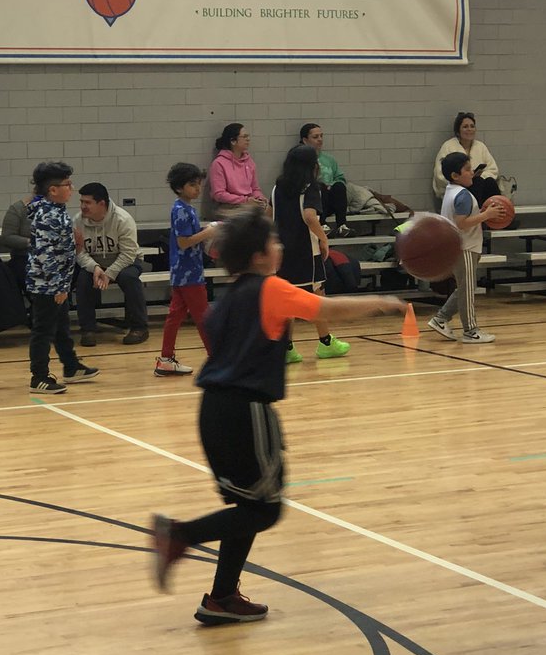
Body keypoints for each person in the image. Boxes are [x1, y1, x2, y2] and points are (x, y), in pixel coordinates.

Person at [150, 207, 406, 625]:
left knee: (245, 504)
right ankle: (179, 535)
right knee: (265, 510)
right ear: (257, 256)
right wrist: (384, 302)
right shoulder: (271, 288)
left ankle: (221, 597)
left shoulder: (227, 299)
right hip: (246, 411)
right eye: (274, 241)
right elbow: (325, 309)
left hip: (212, 410)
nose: (280, 246)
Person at [272, 144, 349, 363]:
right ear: (312, 166)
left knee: (286, 298)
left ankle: (286, 347)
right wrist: (323, 239)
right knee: (317, 296)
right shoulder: (310, 188)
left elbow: (268, 215)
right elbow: (309, 216)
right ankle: (326, 343)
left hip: (281, 252)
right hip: (306, 250)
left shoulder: (277, 188)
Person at [26, 161, 99, 394]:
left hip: (58, 282)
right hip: (47, 284)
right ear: (53, 190)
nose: (72, 188)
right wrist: (58, 286)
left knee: (60, 327)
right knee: (44, 330)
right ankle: (38, 377)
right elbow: (46, 253)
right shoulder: (48, 214)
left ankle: (71, 366)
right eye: (67, 184)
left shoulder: (53, 209)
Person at [428, 152, 506, 345]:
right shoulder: (462, 195)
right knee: (468, 291)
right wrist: (487, 215)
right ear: (455, 175)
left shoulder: (451, 191)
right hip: (464, 248)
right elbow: (462, 223)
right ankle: (470, 331)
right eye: (468, 170)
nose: (472, 173)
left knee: (465, 288)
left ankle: (440, 319)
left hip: (461, 247)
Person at [155, 163, 218, 377]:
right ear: (179, 187)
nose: (197, 189)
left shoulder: (185, 208)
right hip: (189, 272)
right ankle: (216, 358)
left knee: (175, 315)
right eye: (192, 185)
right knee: (203, 315)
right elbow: (184, 242)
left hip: (184, 270)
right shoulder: (181, 210)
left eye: (199, 184)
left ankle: (165, 359)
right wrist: (208, 233)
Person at [72, 182, 149, 346]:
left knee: (129, 278)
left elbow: (128, 254)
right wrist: (95, 268)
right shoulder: (77, 221)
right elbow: (79, 252)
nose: (82, 206)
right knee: (83, 281)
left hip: (126, 261)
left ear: (101, 204)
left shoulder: (123, 219)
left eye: (87, 202)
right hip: (95, 262)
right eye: (81, 202)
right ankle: (88, 329)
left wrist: (109, 274)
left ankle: (139, 327)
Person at [433, 112, 502, 207]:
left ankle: (500, 214)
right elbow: (440, 174)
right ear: (458, 131)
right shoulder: (448, 146)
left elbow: (493, 169)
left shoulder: (480, 147)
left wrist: (476, 177)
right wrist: (464, 180)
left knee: (489, 182)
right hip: (458, 188)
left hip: (480, 186)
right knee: (477, 183)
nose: (469, 129)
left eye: (472, 126)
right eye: (465, 127)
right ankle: (477, 213)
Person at [299, 122, 351, 237]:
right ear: (305, 140)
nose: (320, 139)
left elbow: (340, 178)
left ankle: (342, 225)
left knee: (339, 186)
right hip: (311, 203)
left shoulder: (329, 159)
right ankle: (321, 224)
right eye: (315, 137)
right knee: (319, 187)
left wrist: (332, 185)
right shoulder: (299, 159)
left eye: (321, 136)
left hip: (329, 199)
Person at [207, 123, 268, 210]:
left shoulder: (249, 161)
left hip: (249, 204)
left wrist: (260, 198)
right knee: (250, 217)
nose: (248, 139)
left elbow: (255, 188)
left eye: (248, 136)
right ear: (233, 141)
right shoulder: (218, 163)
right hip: (228, 207)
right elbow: (219, 194)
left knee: (270, 211)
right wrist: (245, 201)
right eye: (244, 136)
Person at [0, 192, 32, 290]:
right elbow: (7, 237)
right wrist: (31, 242)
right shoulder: (19, 208)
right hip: (24, 258)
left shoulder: (56, 209)